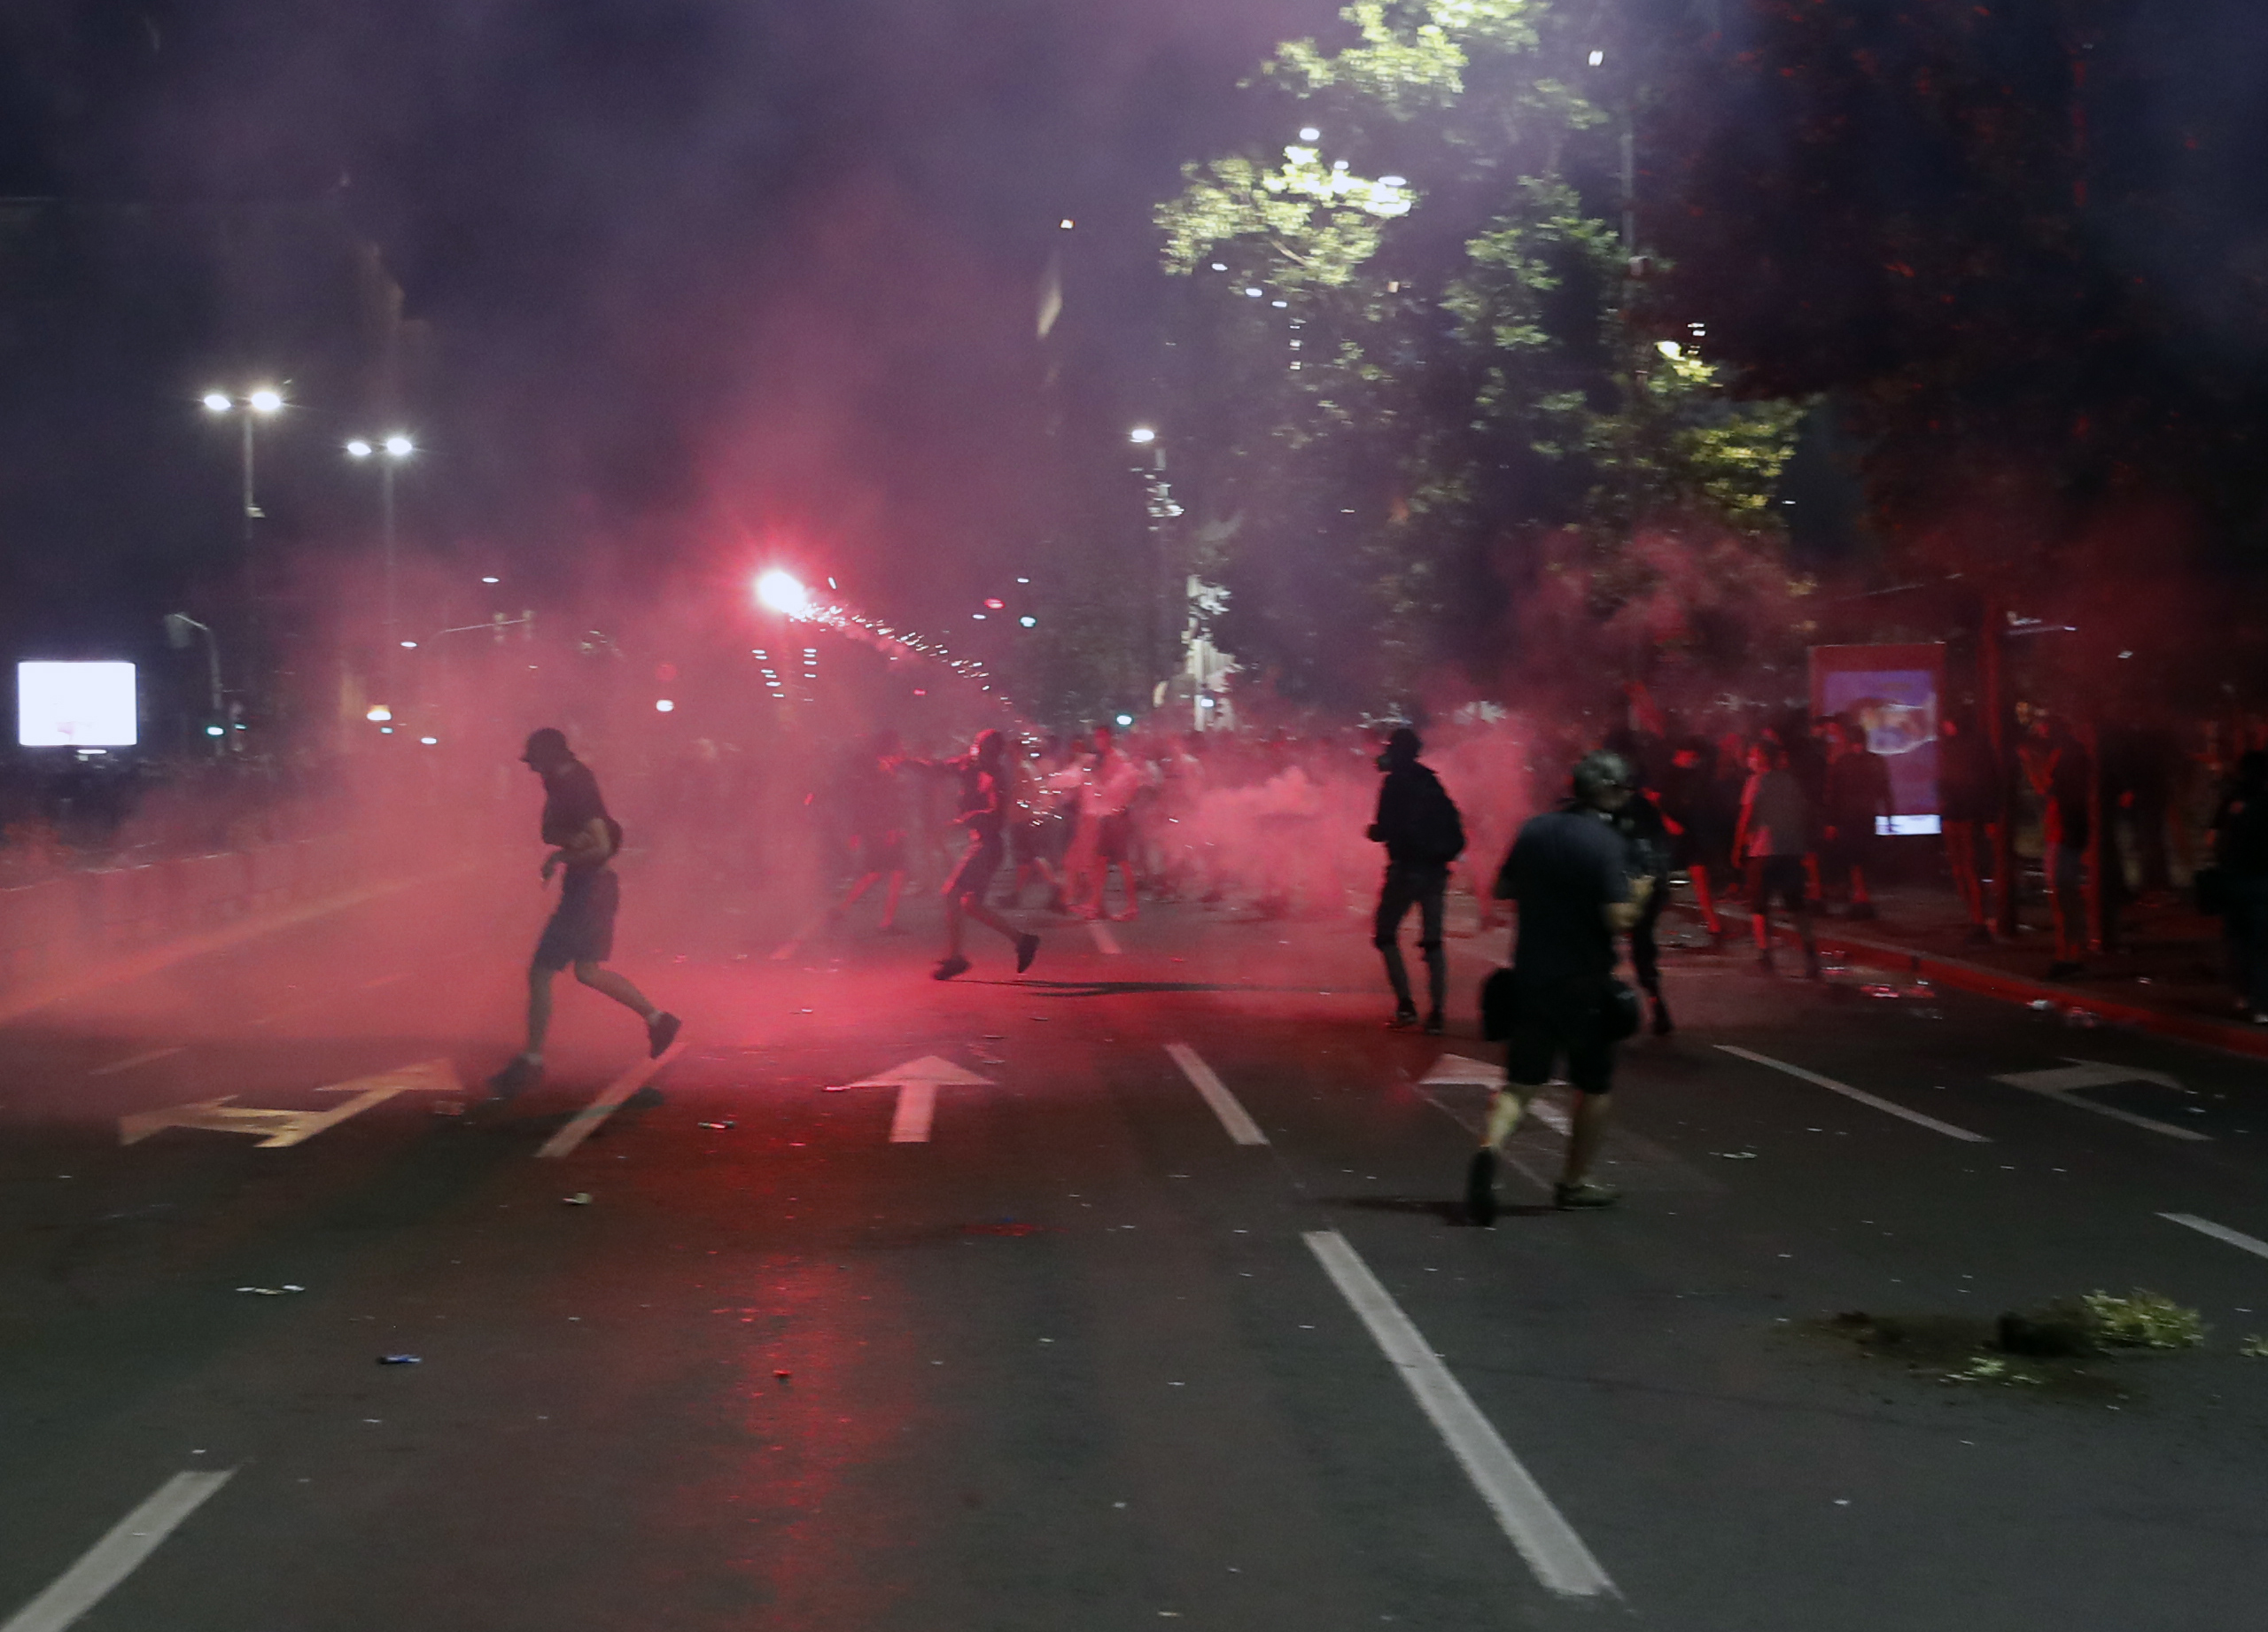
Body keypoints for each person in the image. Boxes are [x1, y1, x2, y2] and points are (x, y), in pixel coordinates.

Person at [1466, 750, 1648, 1222]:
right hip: (1584, 982)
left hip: (1530, 974)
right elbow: (1619, 918)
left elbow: (1502, 889)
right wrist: (1641, 891)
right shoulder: (1606, 843)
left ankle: (1489, 1150)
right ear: (1607, 792)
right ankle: (1573, 1183)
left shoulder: (1535, 829)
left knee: (1521, 1082)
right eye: (1623, 789)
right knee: (1594, 1086)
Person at [488, 728, 680, 1097]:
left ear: (550, 758)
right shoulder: (566, 781)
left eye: (535, 761)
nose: (531, 769)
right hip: (593, 889)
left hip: (588, 891)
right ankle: (658, 1020)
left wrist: (561, 854)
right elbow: (554, 831)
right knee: (587, 972)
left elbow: (602, 846)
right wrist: (560, 844)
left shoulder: (574, 786)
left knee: (541, 972)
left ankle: (532, 1061)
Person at [1366, 727, 1466, 1034]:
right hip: (1436, 872)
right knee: (1433, 941)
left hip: (1406, 870)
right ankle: (1437, 1013)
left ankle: (1406, 1006)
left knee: (1385, 934)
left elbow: (1383, 828)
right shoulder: (1430, 781)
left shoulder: (1394, 783)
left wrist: (1374, 832)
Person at [934, 728, 1041, 981]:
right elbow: (943, 767)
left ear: (989, 751)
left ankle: (957, 958)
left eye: (979, 746)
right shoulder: (974, 767)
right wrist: (910, 764)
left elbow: (996, 815)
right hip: (984, 845)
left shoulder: (996, 776)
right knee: (970, 904)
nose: (974, 749)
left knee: (952, 894)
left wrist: (965, 819)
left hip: (988, 846)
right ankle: (1022, 940)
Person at [1733, 740, 1821, 978]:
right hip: (1791, 850)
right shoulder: (1789, 781)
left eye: (1753, 753)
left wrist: (1737, 847)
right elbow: (1801, 812)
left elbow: (1746, 815)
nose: (1750, 757)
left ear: (1762, 757)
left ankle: (1765, 956)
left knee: (1759, 905)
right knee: (1797, 905)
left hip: (1764, 851)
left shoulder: (1755, 781)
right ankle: (1811, 957)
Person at [2023, 715, 2093, 978]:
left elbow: (2046, 787)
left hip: (2063, 834)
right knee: (2065, 896)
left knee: (2062, 897)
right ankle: (2070, 953)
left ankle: (2068, 955)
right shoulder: (2073, 755)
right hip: (2065, 833)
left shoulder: (2065, 756)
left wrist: (2030, 762)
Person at [828, 729, 911, 932]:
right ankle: (886, 921)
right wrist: (891, 829)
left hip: (880, 831)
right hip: (884, 832)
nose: (902, 750)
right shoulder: (881, 773)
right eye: (899, 746)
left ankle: (841, 909)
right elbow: (880, 804)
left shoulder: (879, 770)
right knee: (895, 873)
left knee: (875, 873)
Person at [1616, 780, 1677, 1036]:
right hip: (1651, 886)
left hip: (1626, 885)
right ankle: (1655, 1001)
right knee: (1642, 942)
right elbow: (1663, 846)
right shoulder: (1647, 808)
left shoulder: (1610, 809)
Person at [2212, 751, 2268, 1025]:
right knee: (2260, 943)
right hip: (2262, 879)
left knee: (2238, 940)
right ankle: (2261, 1003)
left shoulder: (2233, 797)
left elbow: (2213, 836)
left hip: (2235, 877)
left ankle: (2244, 994)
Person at [1655, 737, 1728, 942]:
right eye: (1692, 755)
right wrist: (1666, 821)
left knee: (1700, 875)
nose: (1694, 760)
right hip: (1669, 834)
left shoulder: (1695, 774)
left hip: (1691, 832)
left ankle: (1714, 925)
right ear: (1681, 752)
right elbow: (1651, 800)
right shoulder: (1666, 774)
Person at [1820, 716, 1893, 918]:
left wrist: (1830, 822)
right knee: (1864, 856)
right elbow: (1885, 793)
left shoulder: (1842, 762)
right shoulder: (1876, 761)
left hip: (1848, 816)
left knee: (1853, 858)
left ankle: (1860, 896)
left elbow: (1833, 795)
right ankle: (1862, 896)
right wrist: (1889, 820)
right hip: (1868, 815)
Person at [1938, 711, 2000, 943]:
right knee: (1961, 868)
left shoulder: (1975, 746)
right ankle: (1975, 917)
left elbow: (1989, 782)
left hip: (1967, 814)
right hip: (1955, 813)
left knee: (1969, 867)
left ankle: (1979, 919)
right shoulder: (1953, 747)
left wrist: (1989, 817)